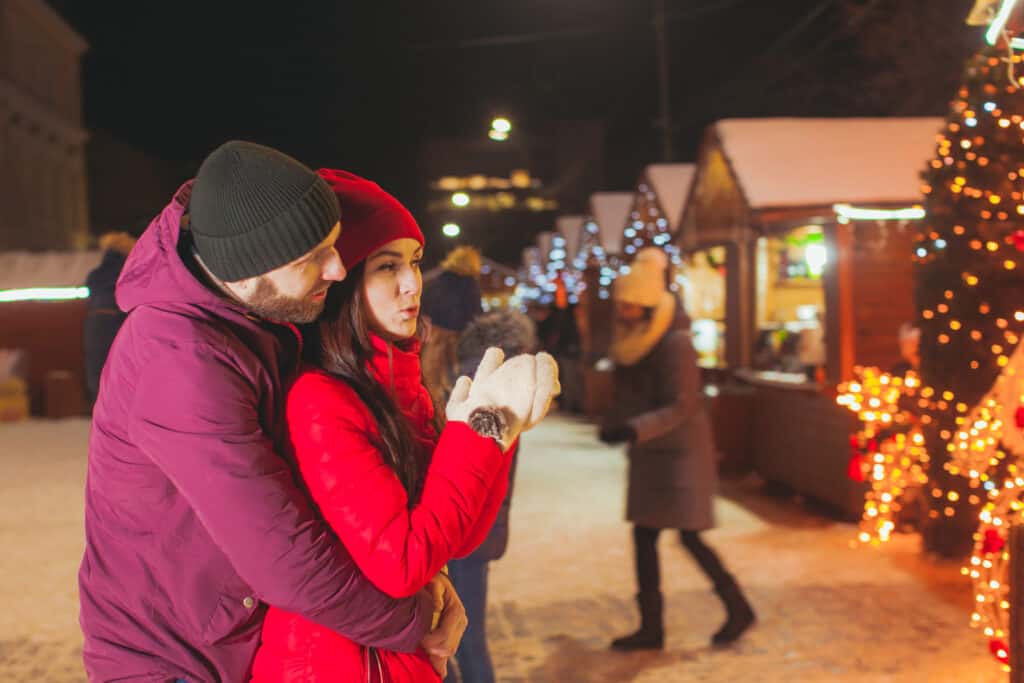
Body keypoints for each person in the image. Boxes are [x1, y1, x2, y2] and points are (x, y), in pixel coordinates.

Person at [79, 142, 466, 682]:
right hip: (174, 662)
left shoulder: (256, 318)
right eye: (312, 257)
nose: (337, 267)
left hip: (230, 641)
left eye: (333, 246)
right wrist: (418, 619)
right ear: (243, 273)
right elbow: (283, 556)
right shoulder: (180, 359)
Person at [251, 169, 559, 682]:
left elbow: (458, 541)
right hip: (333, 662)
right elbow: (402, 561)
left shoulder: (400, 387)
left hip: (391, 653)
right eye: (387, 267)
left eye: (415, 262)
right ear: (343, 278)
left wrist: (499, 434)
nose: (412, 284)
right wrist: (480, 431)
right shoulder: (321, 399)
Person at [599, 247, 755, 651]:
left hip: (681, 456)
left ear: (648, 306)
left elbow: (684, 404)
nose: (624, 311)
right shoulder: (638, 339)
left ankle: (737, 607)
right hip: (653, 453)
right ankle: (653, 627)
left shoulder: (675, 342)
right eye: (623, 304)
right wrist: (618, 422)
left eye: (631, 305)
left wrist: (633, 429)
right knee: (646, 536)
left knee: (688, 536)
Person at [444, 309, 538, 683]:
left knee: (465, 639)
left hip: (464, 527)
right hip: (476, 525)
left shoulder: (477, 379)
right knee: (464, 637)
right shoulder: (505, 378)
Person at [420, 245, 484, 413]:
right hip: (460, 340)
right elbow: (475, 314)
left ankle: (434, 417)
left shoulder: (438, 280)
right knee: (460, 382)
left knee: (432, 382)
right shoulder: (470, 284)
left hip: (435, 337)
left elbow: (424, 305)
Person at [82, 230, 137, 402]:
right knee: (123, 371)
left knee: (97, 372)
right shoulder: (129, 271)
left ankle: (100, 412)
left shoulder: (95, 275)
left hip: (94, 325)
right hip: (119, 322)